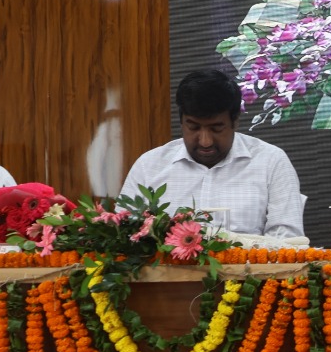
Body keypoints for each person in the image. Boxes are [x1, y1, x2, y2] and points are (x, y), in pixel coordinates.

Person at [121, 69, 305, 237]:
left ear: (235, 121)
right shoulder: (149, 166)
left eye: (216, 128)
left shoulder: (271, 162)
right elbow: (122, 236)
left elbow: (287, 240)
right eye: (193, 127)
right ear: (181, 121)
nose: (205, 141)